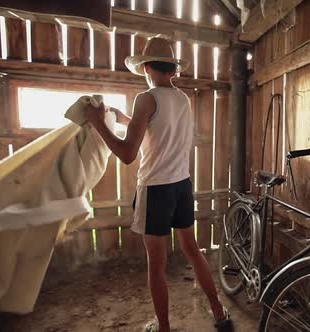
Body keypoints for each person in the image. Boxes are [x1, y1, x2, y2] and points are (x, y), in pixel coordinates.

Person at [84, 37, 233, 332]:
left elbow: (127, 154)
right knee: (193, 249)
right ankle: (219, 314)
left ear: (147, 67)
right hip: (181, 185)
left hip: (155, 189)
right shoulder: (181, 99)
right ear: (172, 70)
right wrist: (124, 118)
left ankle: (163, 327)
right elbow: (157, 126)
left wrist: (97, 122)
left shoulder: (146, 98)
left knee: (157, 264)